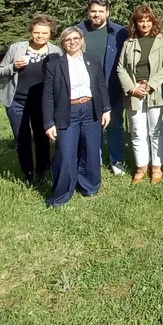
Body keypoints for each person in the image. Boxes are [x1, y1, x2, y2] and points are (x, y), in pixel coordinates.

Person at [42, 26, 111, 207]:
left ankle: (90, 187)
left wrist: (106, 109)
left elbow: (101, 86)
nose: (72, 42)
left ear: (81, 40)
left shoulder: (93, 60)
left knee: (90, 150)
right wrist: (48, 122)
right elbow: (47, 96)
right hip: (67, 112)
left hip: (90, 110)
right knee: (66, 153)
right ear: (63, 43)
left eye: (75, 38)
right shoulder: (54, 65)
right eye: (68, 40)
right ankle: (62, 194)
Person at [0, 14, 61, 186]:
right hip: (17, 102)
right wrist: (13, 67)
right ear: (31, 31)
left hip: (41, 103)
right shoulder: (16, 48)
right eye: (36, 32)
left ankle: (42, 172)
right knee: (22, 139)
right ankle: (28, 173)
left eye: (44, 33)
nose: (40, 36)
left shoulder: (56, 52)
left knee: (41, 138)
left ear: (51, 34)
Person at [116, 6, 163, 185]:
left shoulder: (162, 40)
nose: (145, 24)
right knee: (138, 131)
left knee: (157, 130)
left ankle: (156, 167)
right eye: (141, 21)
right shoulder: (129, 42)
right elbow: (121, 68)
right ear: (136, 23)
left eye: (148, 20)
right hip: (135, 92)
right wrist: (132, 88)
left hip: (156, 91)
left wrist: (151, 85)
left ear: (153, 22)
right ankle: (141, 167)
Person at [79, 0, 129, 175]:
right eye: (93, 11)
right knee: (92, 126)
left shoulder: (120, 32)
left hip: (112, 87)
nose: (97, 15)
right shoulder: (79, 31)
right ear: (88, 12)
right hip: (86, 88)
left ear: (107, 13)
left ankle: (117, 160)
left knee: (115, 124)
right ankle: (95, 160)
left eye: (101, 11)